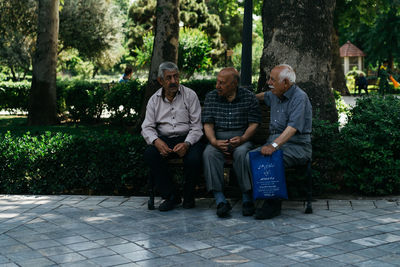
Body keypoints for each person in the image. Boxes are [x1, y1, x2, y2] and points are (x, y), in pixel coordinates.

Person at [252, 64, 312, 220]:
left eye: (273, 79)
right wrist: (244, 96)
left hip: (297, 146)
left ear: (286, 83)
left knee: (274, 158)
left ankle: (272, 204)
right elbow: (262, 96)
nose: (268, 82)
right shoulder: (274, 94)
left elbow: (292, 128)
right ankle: (252, 198)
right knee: (249, 157)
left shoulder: (299, 97)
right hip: (276, 144)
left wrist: (273, 146)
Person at [141, 62, 204, 211]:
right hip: (165, 139)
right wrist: (156, 141)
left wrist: (187, 144)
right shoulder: (154, 100)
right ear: (161, 81)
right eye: (169, 78)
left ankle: (189, 197)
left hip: (188, 137)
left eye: (176, 76)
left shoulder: (190, 95)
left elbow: (197, 126)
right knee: (150, 154)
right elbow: (147, 127)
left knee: (194, 158)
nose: (174, 81)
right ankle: (171, 196)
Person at [202, 67, 261, 218]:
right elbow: (207, 124)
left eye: (222, 83)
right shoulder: (211, 97)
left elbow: (254, 124)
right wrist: (214, 141)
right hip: (218, 139)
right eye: (217, 82)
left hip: (241, 139)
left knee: (242, 153)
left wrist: (242, 139)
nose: (217, 86)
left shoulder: (248, 97)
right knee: (209, 153)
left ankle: (247, 198)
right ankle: (220, 200)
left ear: (234, 84)